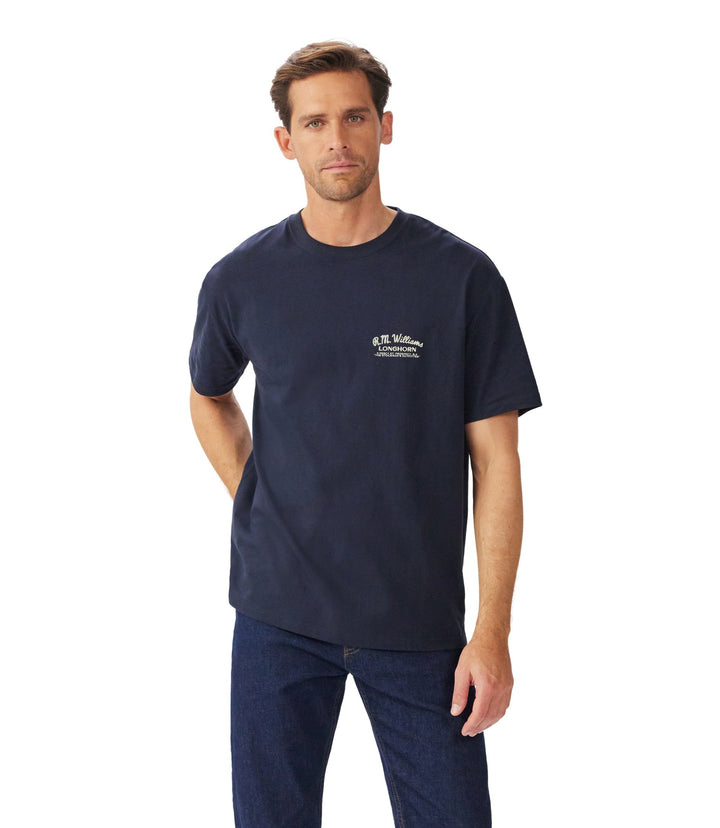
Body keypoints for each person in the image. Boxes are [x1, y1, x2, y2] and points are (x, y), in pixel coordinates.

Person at [189, 40, 542, 828]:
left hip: (418, 625)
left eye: (354, 117)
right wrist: (256, 495)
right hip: (277, 618)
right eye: (314, 123)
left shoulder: (461, 278)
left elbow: (498, 462)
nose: (336, 139)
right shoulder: (242, 278)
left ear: (385, 127)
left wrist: (492, 631)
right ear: (286, 141)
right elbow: (208, 395)